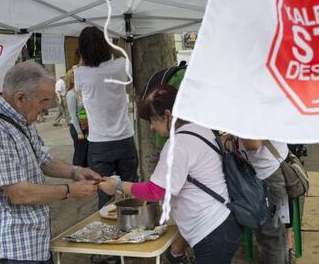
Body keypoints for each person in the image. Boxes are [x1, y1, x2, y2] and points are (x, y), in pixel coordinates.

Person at [99, 84, 242, 264]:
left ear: (168, 115)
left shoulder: (178, 143)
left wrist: (117, 185)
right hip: (222, 221)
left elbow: (155, 192)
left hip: (211, 231)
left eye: (152, 120)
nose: (151, 127)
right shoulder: (199, 128)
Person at [0, 62, 101, 264]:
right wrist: (70, 190)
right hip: (10, 249)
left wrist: (76, 171)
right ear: (20, 98)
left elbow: (44, 160)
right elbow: (19, 193)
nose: (47, 107)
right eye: (44, 100)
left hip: (34, 242)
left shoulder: (22, 120)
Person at [74, 26, 138, 209]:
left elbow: (79, 80)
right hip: (125, 138)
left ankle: (108, 228)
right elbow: (120, 54)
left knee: (103, 191)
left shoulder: (80, 73)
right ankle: (134, 226)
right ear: (106, 45)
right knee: (130, 187)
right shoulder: (120, 65)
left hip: (99, 143)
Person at [240, 139, 289, 264]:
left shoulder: (250, 117)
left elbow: (253, 144)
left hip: (267, 176)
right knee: (277, 234)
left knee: (269, 238)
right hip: (276, 167)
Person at [65, 69, 88, 167]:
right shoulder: (71, 94)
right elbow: (73, 115)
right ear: (73, 80)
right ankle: (77, 175)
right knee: (80, 154)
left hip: (85, 126)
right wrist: (79, 132)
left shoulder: (81, 92)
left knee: (86, 153)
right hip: (77, 128)